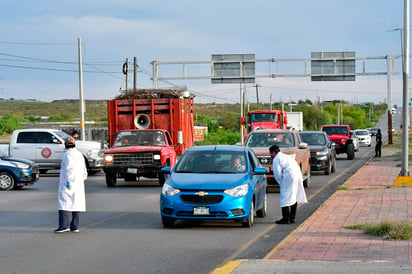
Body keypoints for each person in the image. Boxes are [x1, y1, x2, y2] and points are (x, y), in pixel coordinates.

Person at [54, 137, 88, 233]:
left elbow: (69, 169)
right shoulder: (79, 154)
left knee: (64, 203)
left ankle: (64, 226)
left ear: (65, 145)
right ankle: (74, 226)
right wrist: (81, 179)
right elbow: (84, 169)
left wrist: (69, 182)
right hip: (78, 182)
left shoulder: (67, 155)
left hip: (69, 182)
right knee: (76, 203)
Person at [269, 145, 307, 224]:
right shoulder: (285, 156)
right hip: (297, 175)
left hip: (289, 176)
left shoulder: (276, 159)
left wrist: (281, 183)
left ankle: (285, 219)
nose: (270, 155)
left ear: (273, 152)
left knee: (285, 197)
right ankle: (292, 218)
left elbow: (277, 173)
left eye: (270, 153)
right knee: (294, 196)